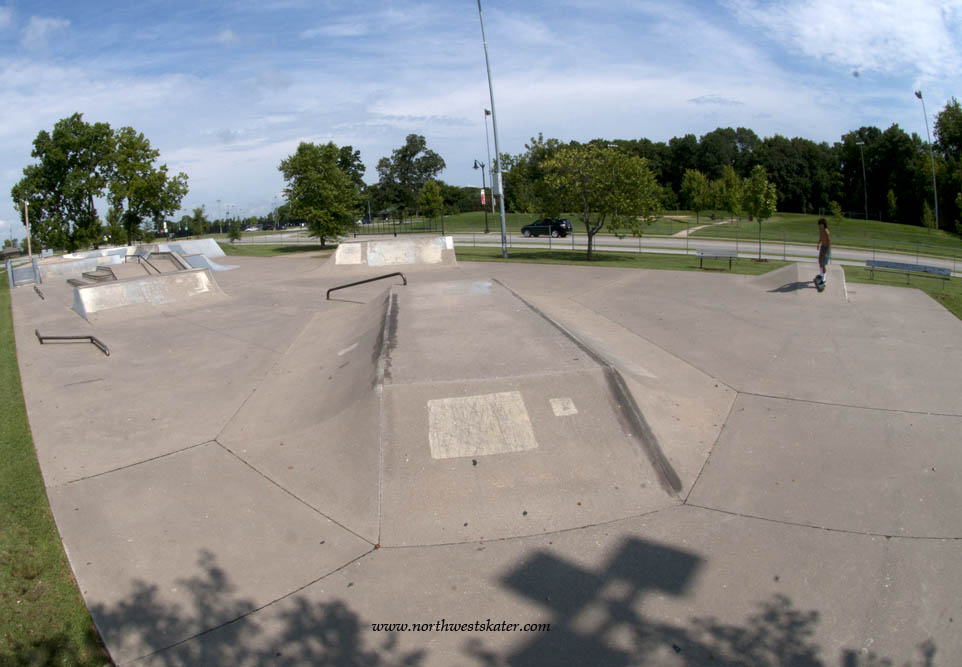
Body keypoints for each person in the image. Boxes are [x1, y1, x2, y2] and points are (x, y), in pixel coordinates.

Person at [816, 218, 831, 284]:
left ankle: (824, 279)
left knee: (823, 263)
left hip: (826, 248)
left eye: (820, 224)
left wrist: (826, 252)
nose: (819, 226)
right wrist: (818, 244)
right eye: (819, 225)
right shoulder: (820, 230)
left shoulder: (826, 231)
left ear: (823, 224)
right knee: (819, 261)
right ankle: (821, 274)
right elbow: (821, 237)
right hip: (822, 247)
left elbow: (829, 242)